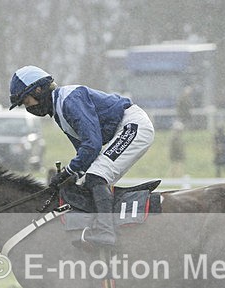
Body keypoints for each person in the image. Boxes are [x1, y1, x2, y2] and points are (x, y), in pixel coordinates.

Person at [9, 65, 154, 249]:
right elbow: (85, 153)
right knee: (87, 181)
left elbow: (92, 145)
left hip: (133, 125)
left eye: (26, 101)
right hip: (123, 128)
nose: (28, 107)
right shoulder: (59, 111)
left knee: (96, 176)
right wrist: (72, 176)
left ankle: (106, 232)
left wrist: (68, 171)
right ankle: (99, 227)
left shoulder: (69, 101)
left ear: (38, 90)